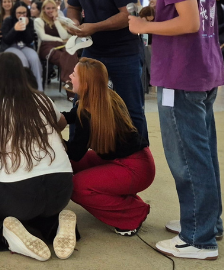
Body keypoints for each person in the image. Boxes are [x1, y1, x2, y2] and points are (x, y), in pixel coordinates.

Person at [127, 0, 224, 260]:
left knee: (186, 156)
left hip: (182, 74)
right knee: (204, 152)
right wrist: (159, 12)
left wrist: (143, 25)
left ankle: (199, 239)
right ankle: (206, 222)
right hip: (204, 70)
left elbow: (189, 22)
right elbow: (187, 13)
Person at [0, 53, 76, 261]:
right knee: (41, 209)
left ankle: (9, 235)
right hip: (62, 190)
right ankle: (54, 226)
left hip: (18, 195)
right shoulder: (42, 98)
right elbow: (62, 123)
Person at [60, 58, 154, 236]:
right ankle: (121, 197)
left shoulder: (87, 113)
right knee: (71, 167)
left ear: (85, 84)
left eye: (74, 74)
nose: (70, 77)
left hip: (135, 168)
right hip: (137, 160)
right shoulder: (104, 97)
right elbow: (70, 116)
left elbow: (74, 152)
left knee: (77, 186)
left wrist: (51, 139)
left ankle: (133, 213)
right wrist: (50, 117)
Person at [66, 0, 147, 141]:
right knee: (80, 104)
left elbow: (127, 16)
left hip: (124, 52)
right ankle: (75, 155)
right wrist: (74, 22)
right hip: (93, 49)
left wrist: (93, 26)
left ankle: (140, 156)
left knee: (130, 107)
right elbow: (72, 7)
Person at [35, 0, 78, 90]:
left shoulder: (60, 20)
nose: (51, 10)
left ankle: (68, 83)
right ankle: (70, 83)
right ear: (43, 9)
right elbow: (43, 37)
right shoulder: (39, 20)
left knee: (71, 53)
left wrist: (56, 21)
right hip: (46, 46)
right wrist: (60, 40)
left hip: (62, 45)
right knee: (64, 57)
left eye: (53, 8)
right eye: (48, 8)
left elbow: (64, 35)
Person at [0, 2, 43, 91]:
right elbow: (6, 40)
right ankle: (24, 89)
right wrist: (14, 29)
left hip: (24, 46)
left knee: (34, 58)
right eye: (19, 13)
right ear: (14, 13)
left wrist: (26, 27)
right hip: (10, 47)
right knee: (22, 60)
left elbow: (29, 40)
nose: (22, 15)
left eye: (24, 12)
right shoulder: (8, 21)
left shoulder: (30, 21)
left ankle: (39, 90)